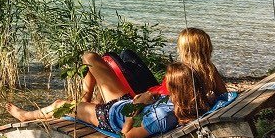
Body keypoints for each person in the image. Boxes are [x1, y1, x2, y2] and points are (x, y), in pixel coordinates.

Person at [6, 63, 211, 138]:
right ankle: (83, 103)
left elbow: (126, 136)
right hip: (122, 104)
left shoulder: (164, 117)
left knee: (60, 104)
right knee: (90, 59)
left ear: (177, 89)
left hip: (109, 116)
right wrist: (148, 99)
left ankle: (26, 116)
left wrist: (138, 105)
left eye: (169, 84)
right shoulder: (186, 103)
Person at [80, 27, 227, 105]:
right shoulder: (208, 69)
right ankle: (95, 101)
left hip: (147, 96)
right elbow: (224, 95)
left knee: (105, 59)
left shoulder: (183, 73)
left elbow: (168, 96)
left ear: (185, 50)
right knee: (127, 54)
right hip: (155, 90)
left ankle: (86, 101)